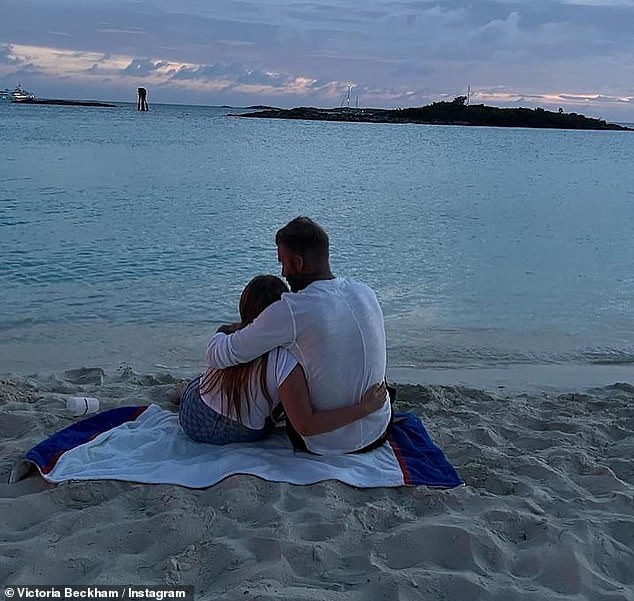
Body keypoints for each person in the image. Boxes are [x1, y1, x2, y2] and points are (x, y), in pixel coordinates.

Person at [206, 217, 393, 455]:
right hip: (379, 427)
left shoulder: (293, 310)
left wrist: (228, 329)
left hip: (327, 443)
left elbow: (222, 355)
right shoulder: (364, 292)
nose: (283, 273)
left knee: (279, 351)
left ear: (298, 263)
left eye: (283, 263)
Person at [179, 274, 386, 445]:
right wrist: (365, 408)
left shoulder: (232, 340)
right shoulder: (285, 357)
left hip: (193, 415)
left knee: (199, 383)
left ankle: (182, 392)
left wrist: (237, 328)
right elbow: (306, 425)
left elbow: (221, 336)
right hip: (240, 431)